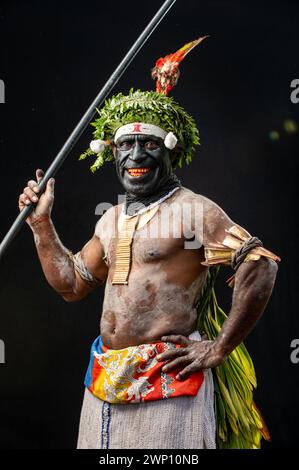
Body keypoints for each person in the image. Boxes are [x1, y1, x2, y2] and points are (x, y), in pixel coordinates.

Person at [18, 39, 280, 449]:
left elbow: (261, 264)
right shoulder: (112, 219)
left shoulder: (193, 210)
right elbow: (70, 285)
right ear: (113, 154)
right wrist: (41, 226)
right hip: (106, 378)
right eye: (125, 145)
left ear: (170, 152)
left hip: (169, 379)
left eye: (150, 144)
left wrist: (220, 346)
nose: (136, 154)